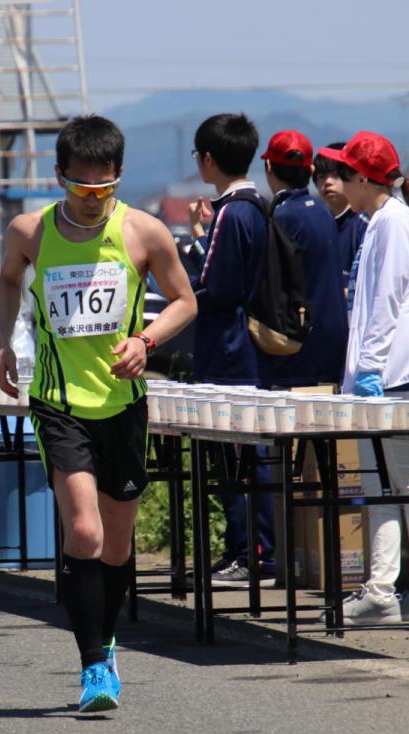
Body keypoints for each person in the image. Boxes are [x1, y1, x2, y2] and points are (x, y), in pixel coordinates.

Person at [0, 115, 197, 712]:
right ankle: (92, 667)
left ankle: (106, 643)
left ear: (118, 177)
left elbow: (185, 301)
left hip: (123, 403)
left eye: (103, 188)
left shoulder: (144, 232)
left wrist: (146, 341)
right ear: (60, 177)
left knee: (117, 544)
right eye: (81, 188)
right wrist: (3, 342)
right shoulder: (30, 231)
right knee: (84, 531)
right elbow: (8, 283)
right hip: (59, 402)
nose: (92, 199)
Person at [319, 131, 409, 624]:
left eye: (341, 173)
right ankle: (384, 589)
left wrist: (369, 367)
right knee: (386, 486)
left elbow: (387, 302)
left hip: (395, 374)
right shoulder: (382, 220)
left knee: (408, 484)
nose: (334, 181)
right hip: (384, 374)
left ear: (362, 178)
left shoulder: (392, 221)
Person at [183, 113, 276, 589]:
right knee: (245, 458)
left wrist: (192, 250)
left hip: (228, 351)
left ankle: (252, 553)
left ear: (208, 159)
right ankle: (249, 549)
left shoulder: (232, 211)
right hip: (248, 351)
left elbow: (213, 286)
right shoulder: (257, 206)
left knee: (235, 461)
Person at [261, 130, 347, 386]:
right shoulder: (323, 211)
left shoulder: (281, 216)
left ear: (268, 167)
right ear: (310, 170)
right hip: (335, 342)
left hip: (298, 345)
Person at [313, 141, 368, 296]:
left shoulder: (363, 226)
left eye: (336, 176)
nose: (328, 182)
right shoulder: (316, 225)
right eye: (321, 176)